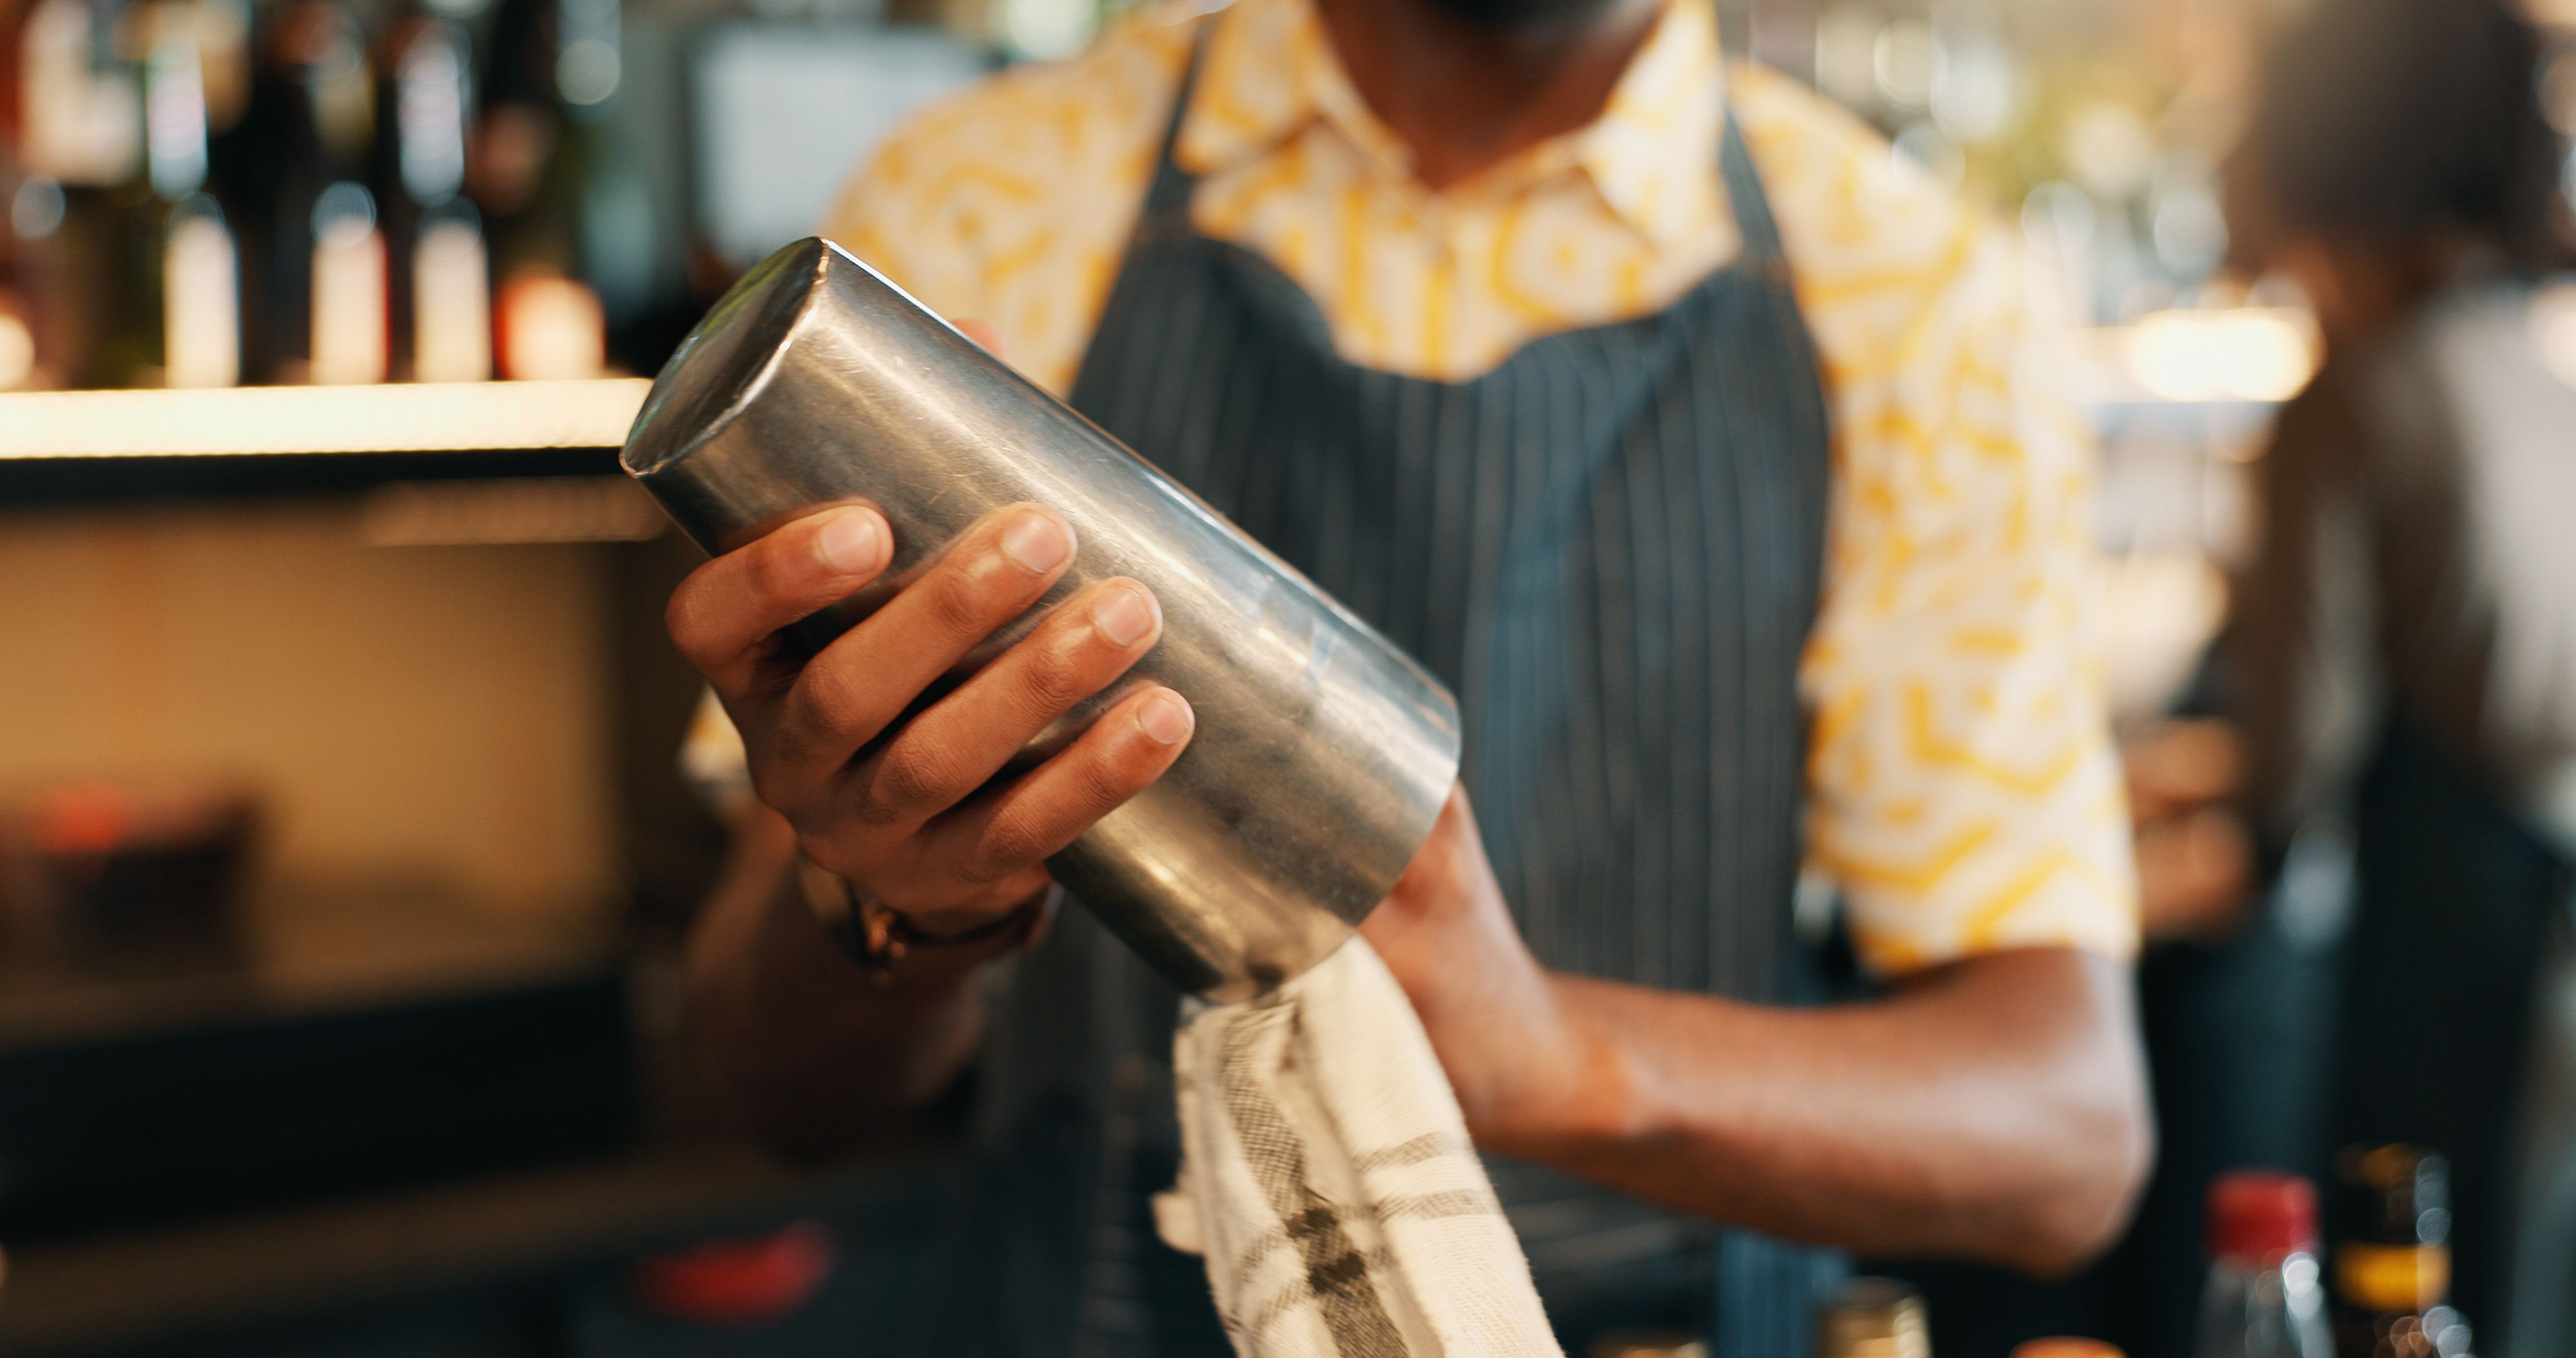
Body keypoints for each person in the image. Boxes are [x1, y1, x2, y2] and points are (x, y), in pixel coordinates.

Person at [673, 0, 2153, 1351]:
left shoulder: (1908, 300)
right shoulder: (982, 201)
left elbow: (2067, 1138)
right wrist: (896, 902)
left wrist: (1551, 1059)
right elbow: (764, 1088)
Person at [2221, 0, 2576, 1350]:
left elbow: (2293, 762)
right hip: (2544, 910)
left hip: (2447, 934)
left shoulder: (2353, 395)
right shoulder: (2523, 364)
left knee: (2402, 1293)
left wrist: (2236, 831)